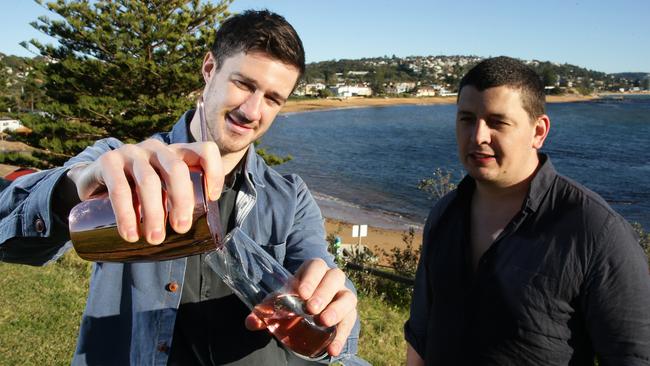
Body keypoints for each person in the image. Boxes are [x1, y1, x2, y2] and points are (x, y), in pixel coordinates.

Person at [0, 10, 366, 366]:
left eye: (273, 99)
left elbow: (331, 312)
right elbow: (9, 229)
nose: (253, 111)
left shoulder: (290, 198)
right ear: (210, 69)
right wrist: (73, 188)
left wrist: (333, 304)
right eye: (244, 84)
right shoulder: (122, 163)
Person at [405, 56, 650, 365]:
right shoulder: (444, 214)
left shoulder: (594, 232)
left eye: (497, 122)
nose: (477, 136)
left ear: (538, 131)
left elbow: (633, 356)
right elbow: (420, 335)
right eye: (467, 118)